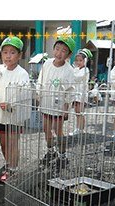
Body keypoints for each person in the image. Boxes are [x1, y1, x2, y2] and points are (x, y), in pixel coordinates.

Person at [0, 36, 30, 183]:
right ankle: (8, 164)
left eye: (12, 52)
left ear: (19, 55)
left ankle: (13, 169)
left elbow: (24, 94)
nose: (8, 56)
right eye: (5, 52)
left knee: (12, 142)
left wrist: (11, 104)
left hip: (15, 116)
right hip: (0, 114)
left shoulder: (22, 73)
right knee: (3, 142)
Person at [37, 34, 75, 164]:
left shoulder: (69, 70)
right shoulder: (47, 63)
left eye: (64, 51)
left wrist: (66, 107)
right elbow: (40, 80)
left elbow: (70, 90)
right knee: (46, 129)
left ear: (69, 55)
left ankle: (63, 154)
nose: (59, 53)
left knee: (59, 131)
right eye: (57, 48)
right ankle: (50, 150)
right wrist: (38, 93)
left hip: (59, 106)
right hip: (46, 102)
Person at [71, 48, 92, 135]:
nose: (78, 62)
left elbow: (76, 76)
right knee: (77, 112)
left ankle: (81, 129)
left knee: (80, 112)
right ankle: (78, 128)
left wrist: (74, 69)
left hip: (81, 94)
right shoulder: (78, 69)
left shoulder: (85, 70)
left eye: (80, 60)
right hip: (76, 94)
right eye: (76, 60)